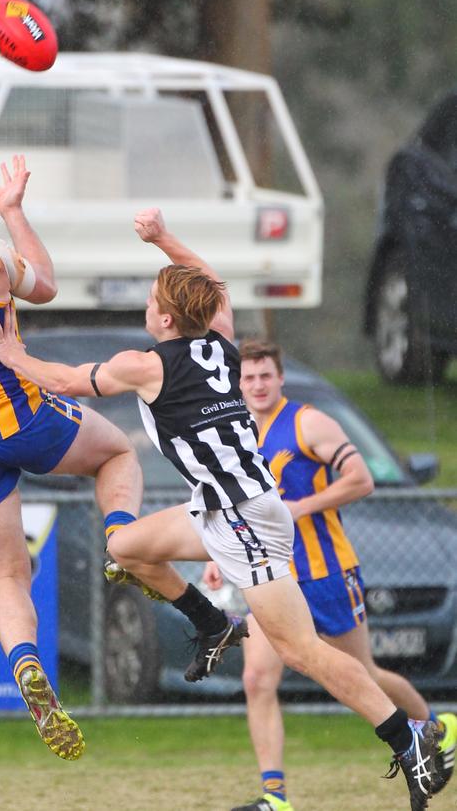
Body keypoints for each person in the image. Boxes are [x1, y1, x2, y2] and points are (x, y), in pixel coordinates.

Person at [0, 207, 440, 811]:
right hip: (226, 510)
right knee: (125, 547)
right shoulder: (220, 344)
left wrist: (13, 357)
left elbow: (65, 381)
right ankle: (210, 623)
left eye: (151, 300)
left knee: (303, 652)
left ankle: (408, 739)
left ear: (166, 318)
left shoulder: (148, 365)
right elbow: (212, 282)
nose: (146, 307)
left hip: (246, 517)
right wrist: (163, 240)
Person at [0, 148, 239, 761]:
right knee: (118, 455)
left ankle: (28, 670)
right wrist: (13, 211)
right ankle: (121, 542)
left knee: (7, 579)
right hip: (22, 415)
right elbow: (45, 281)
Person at [202, 338, 457, 811]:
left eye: (265, 376)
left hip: (326, 571)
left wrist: (301, 507)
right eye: (248, 377)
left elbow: (361, 478)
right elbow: (229, 503)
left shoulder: (307, 422)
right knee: (258, 679)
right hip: (272, 577)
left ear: (280, 379)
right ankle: (275, 798)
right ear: (237, 384)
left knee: (366, 676)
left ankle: (436, 733)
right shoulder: (235, 433)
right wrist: (216, 557)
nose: (257, 385)